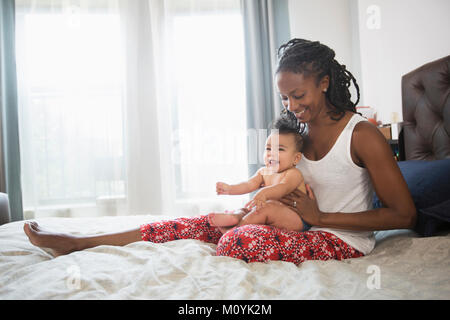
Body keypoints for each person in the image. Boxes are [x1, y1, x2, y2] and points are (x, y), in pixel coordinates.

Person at [23, 39, 416, 265]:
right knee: (189, 223)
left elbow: (404, 214)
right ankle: (80, 241)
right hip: (297, 225)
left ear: (325, 83)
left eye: (299, 95)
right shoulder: (297, 131)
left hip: (340, 240)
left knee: (235, 241)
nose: (292, 106)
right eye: (284, 97)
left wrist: (320, 216)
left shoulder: (362, 135)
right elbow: (273, 178)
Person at [208, 115, 311, 234]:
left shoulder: (294, 174)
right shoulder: (264, 172)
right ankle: (236, 217)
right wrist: (230, 189)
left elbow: (283, 188)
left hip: (296, 219)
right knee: (248, 208)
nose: (272, 154)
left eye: (280, 150)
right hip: (271, 214)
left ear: (296, 158)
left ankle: (234, 232)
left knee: (267, 207)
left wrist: (264, 193)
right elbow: (248, 185)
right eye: (268, 149)